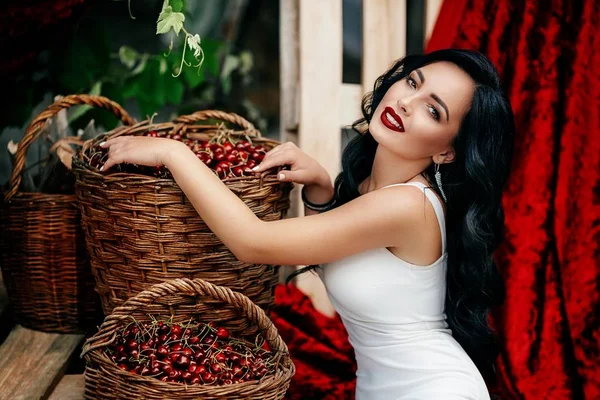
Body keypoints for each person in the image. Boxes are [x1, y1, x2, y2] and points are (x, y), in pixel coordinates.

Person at [99, 48, 515, 399]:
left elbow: (253, 242)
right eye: (412, 82)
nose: (407, 101)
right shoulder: (375, 188)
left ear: (447, 152)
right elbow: (341, 253)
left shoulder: (409, 206)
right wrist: (320, 190)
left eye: (432, 109)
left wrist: (174, 154)